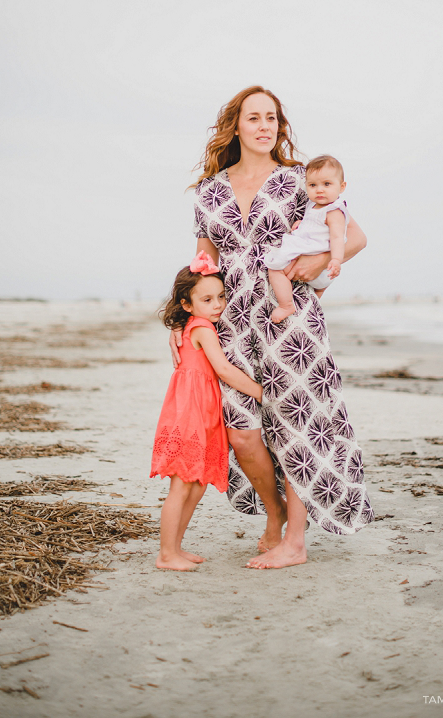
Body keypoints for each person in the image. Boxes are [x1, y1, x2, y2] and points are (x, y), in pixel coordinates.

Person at [171, 85, 373, 570]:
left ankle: (295, 542)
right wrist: (184, 321)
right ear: (235, 125)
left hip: (290, 319)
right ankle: (276, 513)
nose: (265, 126)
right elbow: (204, 263)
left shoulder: (299, 180)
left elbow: (355, 234)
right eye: (254, 117)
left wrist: (319, 261)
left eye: (272, 118)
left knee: (295, 428)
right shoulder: (209, 191)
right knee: (243, 432)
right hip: (231, 319)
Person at [152, 253, 263, 571]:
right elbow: (224, 370)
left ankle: (175, 547)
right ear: (187, 304)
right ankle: (166, 554)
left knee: (197, 483)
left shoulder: (191, 324)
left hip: (202, 410)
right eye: (207, 299)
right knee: (182, 484)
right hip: (190, 412)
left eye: (221, 297)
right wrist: (260, 393)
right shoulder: (201, 328)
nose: (218, 305)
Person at [264, 154, 349, 322]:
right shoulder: (313, 205)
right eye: (312, 185)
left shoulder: (334, 211)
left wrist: (337, 259)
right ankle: (315, 300)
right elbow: (314, 225)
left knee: (275, 268)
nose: (319, 189)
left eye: (326, 184)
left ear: (342, 187)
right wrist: (300, 225)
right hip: (322, 277)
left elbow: (338, 237)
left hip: (316, 261)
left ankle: (286, 304)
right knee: (313, 296)